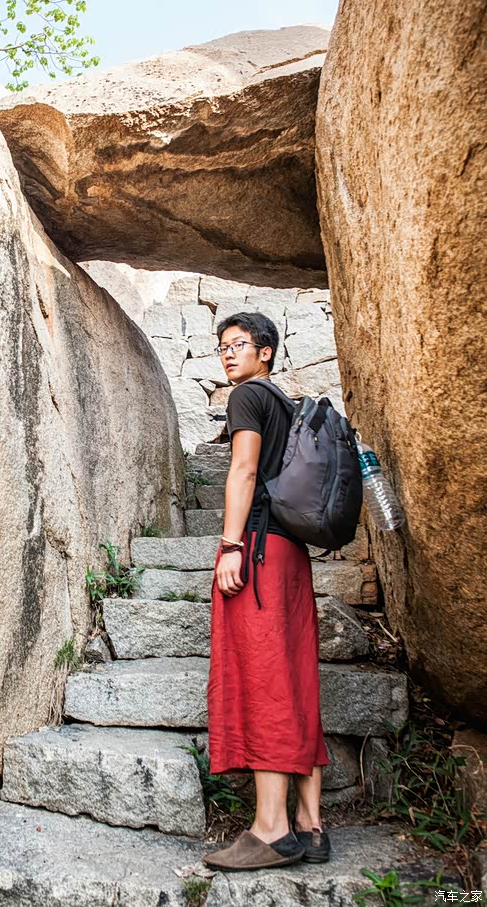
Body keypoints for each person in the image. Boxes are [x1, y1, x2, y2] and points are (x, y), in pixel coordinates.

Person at [202, 311, 331, 872]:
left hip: (257, 552)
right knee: (296, 676)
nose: (229, 354)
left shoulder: (248, 397)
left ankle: (272, 830)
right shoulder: (286, 405)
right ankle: (311, 825)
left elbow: (244, 470)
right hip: (291, 556)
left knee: (264, 679)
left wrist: (230, 546)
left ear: (266, 352)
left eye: (239, 344)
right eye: (222, 347)